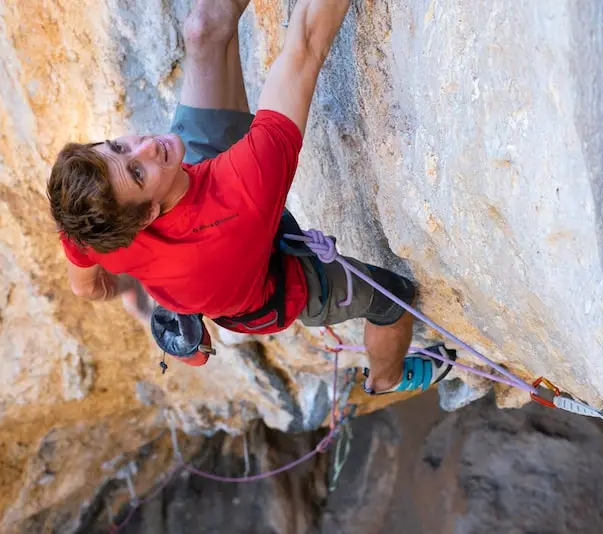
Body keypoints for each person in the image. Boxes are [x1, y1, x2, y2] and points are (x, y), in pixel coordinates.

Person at [46, 0, 455, 395]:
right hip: (276, 283)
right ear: (146, 213)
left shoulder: (88, 224)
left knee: (205, 31)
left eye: (119, 146)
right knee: (392, 299)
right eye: (137, 172)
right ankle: (386, 379)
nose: (146, 146)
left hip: (198, 223)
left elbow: (88, 289)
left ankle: (179, 300)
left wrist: (140, 290)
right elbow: (307, 44)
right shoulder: (242, 189)